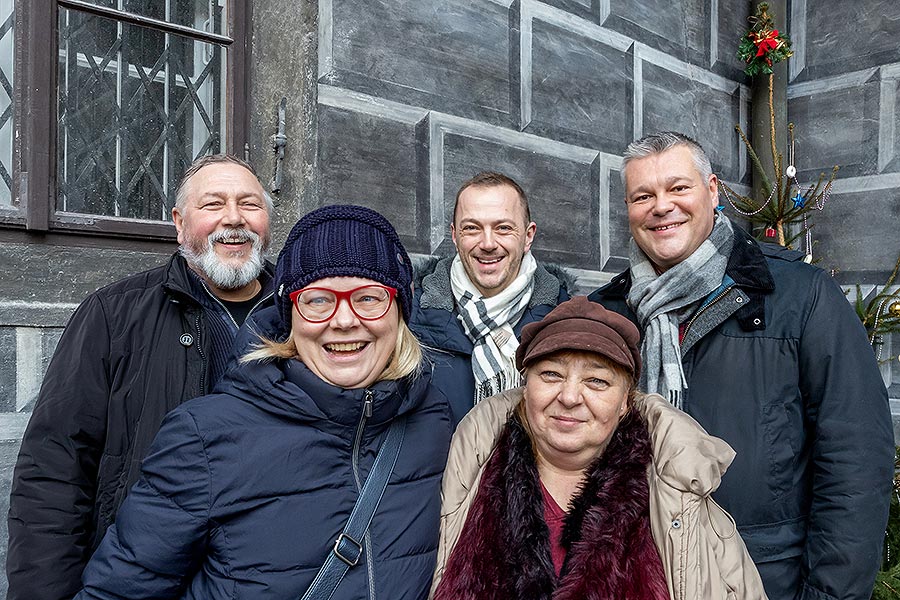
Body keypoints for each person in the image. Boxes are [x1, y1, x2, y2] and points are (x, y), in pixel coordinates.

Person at [73, 204, 453, 599]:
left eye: (370, 297)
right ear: (290, 315)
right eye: (318, 299)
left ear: (400, 312)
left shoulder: (429, 416)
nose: (343, 320)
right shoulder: (206, 437)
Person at [589, 131, 894, 600]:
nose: (661, 206)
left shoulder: (800, 295)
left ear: (712, 191)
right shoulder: (608, 313)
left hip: (762, 578)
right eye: (643, 195)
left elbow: (855, 458)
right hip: (636, 575)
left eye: (678, 188)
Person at [6, 154, 276, 600]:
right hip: (142, 578)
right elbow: (54, 472)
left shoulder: (303, 317)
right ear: (178, 221)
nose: (234, 219)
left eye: (249, 205)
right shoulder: (113, 316)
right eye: (213, 204)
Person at [431, 296, 767, 600]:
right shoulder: (470, 473)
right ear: (526, 387)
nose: (570, 397)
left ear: (625, 402)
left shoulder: (677, 491)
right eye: (550, 374)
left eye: (597, 381)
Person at [411, 171, 571, 425]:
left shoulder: (569, 323)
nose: (487, 243)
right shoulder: (410, 321)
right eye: (472, 228)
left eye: (503, 228)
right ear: (454, 235)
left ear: (528, 236)